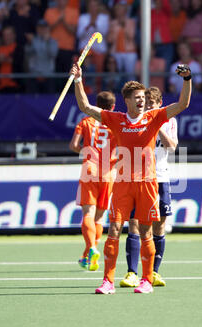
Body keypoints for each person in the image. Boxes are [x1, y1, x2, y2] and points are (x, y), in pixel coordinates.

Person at [70, 60, 192, 295]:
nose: (141, 100)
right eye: (137, 97)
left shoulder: (155, 117)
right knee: (114, 229)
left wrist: (187, 79)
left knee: (146, 232)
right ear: (126, 100)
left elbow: (183, 103)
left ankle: (146, 280)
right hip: (123, 184)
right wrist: (78, 79)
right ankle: (108, 281)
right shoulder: (116, 119)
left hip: (147, 184)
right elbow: (85, 106)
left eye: (143, 97)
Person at [120, 86, 178, 288]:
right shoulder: (138, 121)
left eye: (152, 104)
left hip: (160, 177)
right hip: (139, 177)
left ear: (160, 104)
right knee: (134, 222)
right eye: (146, 103)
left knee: (159, 225)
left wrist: (158, 126)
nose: (148, 107)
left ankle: (153, 272)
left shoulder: (169, 120)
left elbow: (172, 147)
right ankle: (132, 272)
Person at [69, 91, 118, 272]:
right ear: (113, 107)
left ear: (96, 105)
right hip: (108, 174)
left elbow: (74, 145)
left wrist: (87, 152)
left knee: (88, 214)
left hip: (90, 170)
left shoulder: (86, 121)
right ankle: (89, 253)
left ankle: (91, 248)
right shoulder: (116, 123)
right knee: (99, 217)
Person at [44, 0, 79, 77]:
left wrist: (64, 22)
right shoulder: (49, 12)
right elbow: (45, 30)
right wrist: (57, 21)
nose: (61, 1)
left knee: (67, 75)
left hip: (67, 49)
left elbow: (74, 31)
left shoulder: (73, 12)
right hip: (52, 49)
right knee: (53, 76)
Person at [25, 19, 58, 94]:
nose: (42, 30)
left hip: (48, 76)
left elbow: (53, 54)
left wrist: (47, 42)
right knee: (32, 101)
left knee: (49, 101)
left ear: (47, 29)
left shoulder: (53, 41)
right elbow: (27, 53)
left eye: (44, 27)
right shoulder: (32, 40)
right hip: (34, 76)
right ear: (37, 29)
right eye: (40, 27)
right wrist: (30, 43)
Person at [107, 0, 137, 82]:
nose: (119, 11)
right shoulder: (113, 23)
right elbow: (109, 39)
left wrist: (123, 26)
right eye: (117, 9)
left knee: (130, 76)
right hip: (116, 52)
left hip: (129, 52)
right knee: (116, 76)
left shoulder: (131, 22)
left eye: (121, 9)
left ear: (125, 10)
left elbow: (131, 37)